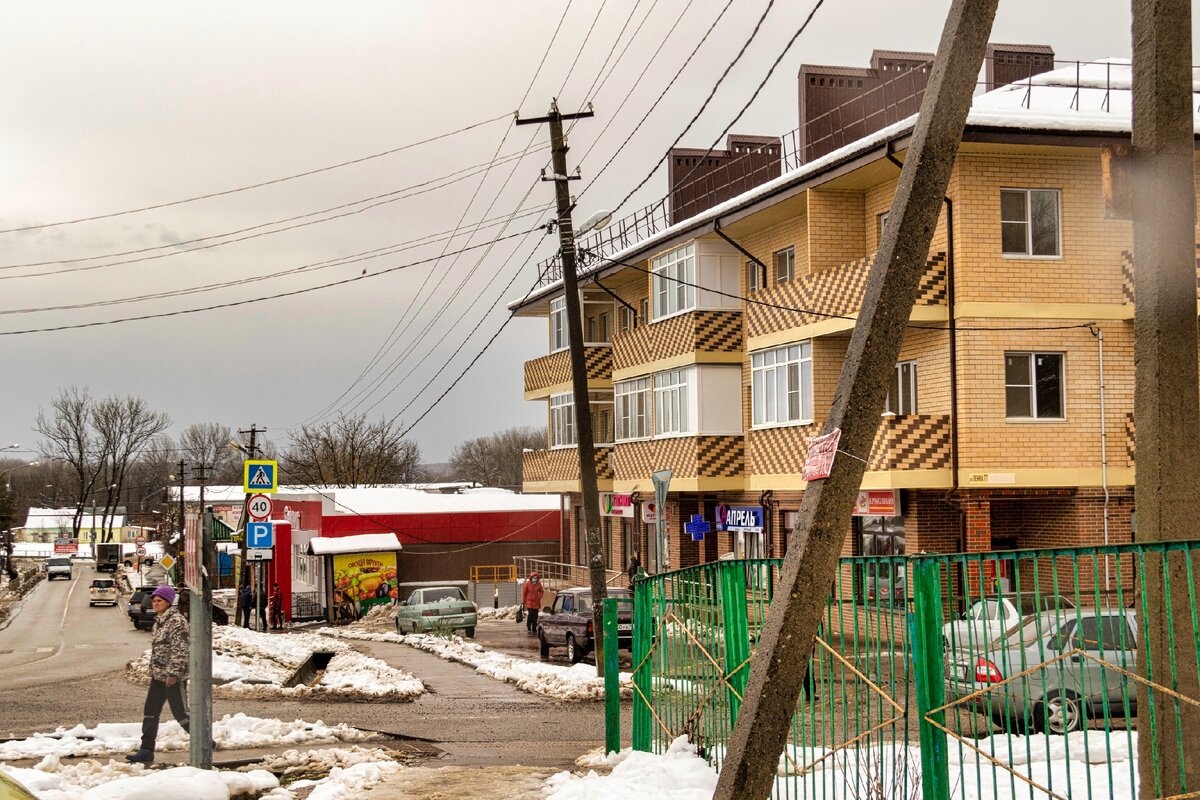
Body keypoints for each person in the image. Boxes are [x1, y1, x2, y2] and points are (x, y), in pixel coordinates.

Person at [126, 585, 190, 763]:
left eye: (159, 600)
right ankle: (146, 750)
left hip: (172, 678)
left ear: (168, 602)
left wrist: (174, 673)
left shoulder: (176, 621)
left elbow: (180, 649)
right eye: (154, 601)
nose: (155, 603)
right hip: (158, 676)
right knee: (150, 712)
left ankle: (206, 741)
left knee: (182, 714)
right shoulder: (159, 621)